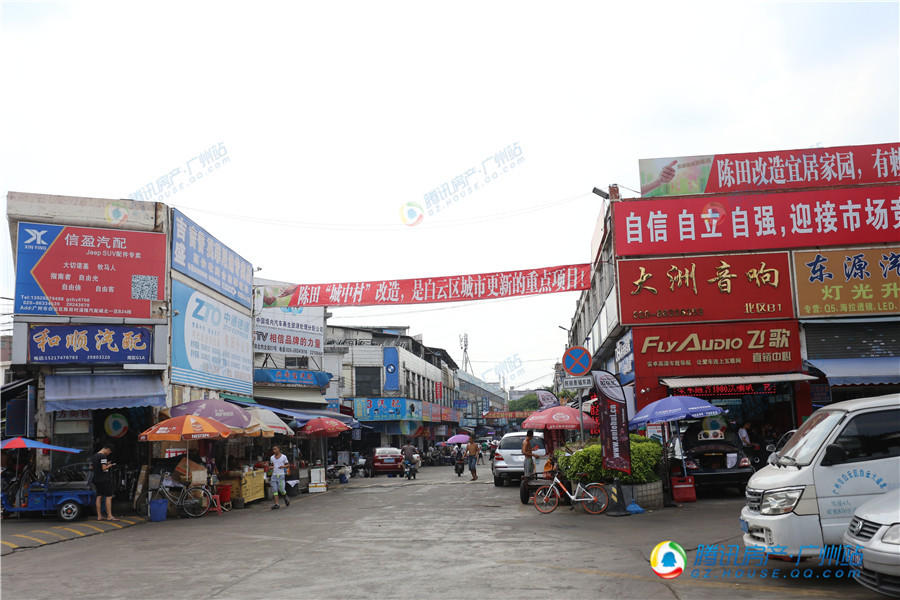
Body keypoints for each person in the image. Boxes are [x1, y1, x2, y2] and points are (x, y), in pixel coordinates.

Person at [91, 442, 117, 521]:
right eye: (109, 452)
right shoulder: (103, 456)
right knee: (109, 496)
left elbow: (93, 467)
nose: (109, 453)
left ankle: (99, 516)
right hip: (104, 479)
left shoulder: (95, 456)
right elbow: (104, 468)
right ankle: (109, 516)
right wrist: (110, 465)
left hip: (96, 479)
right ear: (107, 449)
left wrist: (106, 464)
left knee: (99, 496)